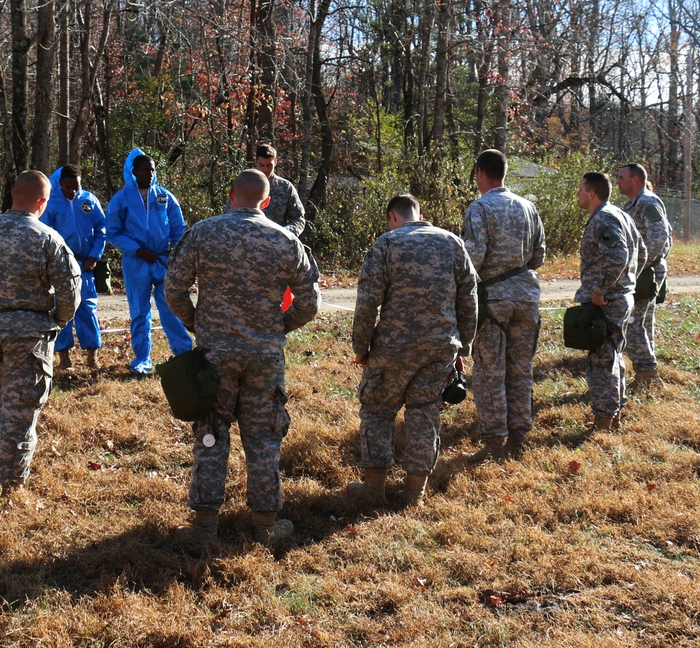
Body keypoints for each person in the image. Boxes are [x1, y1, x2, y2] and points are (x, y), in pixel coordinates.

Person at [166, 169, 321, 545]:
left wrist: (198, 324)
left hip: (215, 355)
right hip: (264, 356)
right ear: (267, 202)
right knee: (264, 437)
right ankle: (265, 525)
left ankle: (204, 527)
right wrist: (276, 329)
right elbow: (310, 302)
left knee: (211, 435)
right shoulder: (285, 239)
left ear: (231, 193)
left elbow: (174, 289)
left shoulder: (203, 232)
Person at [350, 194, 478, 508]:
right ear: (418, 215)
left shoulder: (387, 244)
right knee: (424, 413)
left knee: (378, 412)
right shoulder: (452, 243)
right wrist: (464, 344)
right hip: (439, 347)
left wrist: (361, 347)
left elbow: (367, 301)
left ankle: (374, 491)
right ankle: (413, 495)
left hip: (393, 347)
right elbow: (470, 297)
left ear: (393, 216)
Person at [0, 170, 81, 497]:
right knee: (20, 411)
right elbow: (71, 291)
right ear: (43, 202)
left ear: (13, 192)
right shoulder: (47, 237)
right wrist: (56, 319)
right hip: (29, 336)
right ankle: (12, 488)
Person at [462, 150, 546, 462]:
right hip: (527, 299)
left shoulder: (479, 208)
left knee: (489, 372)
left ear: (481, 173)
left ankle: (495, 442)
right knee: (521, 369)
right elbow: (539, 255)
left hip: (493, 302)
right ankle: (521, 436)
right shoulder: (529, 207)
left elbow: (474, 258)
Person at [105, 149, 192, 375]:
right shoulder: (121, 199)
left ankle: (184, 353)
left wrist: (176, 255)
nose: (150, 173)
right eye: (145, 170)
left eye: (153, 169)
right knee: (140, 311)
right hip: (136, 263)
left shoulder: (164, 197)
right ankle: (142, 359)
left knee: (170, 308)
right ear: (134, 171)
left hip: (162, 260)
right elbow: (112, 232)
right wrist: (137, 250)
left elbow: (178, 229)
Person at [575, 172, 645, 432]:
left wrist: (600, 290)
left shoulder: (603, 218)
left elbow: (618, 255)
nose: (579, 195)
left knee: (602, 360)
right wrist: (628, 283)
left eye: (581, 190)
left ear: (592, 194)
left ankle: (603, 421)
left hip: (607, 302)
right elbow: (642, 252)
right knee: (613, 354)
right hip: (621, 296)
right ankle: (614, 412)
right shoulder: (621, 215)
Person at [42, 165, 106, 370]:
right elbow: (45, 234)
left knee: (87, 308)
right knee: (61, 309)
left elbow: (102, 230)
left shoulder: (89, 200)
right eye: (69, 187)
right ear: (60, 183)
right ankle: (63, 357)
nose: (73, 191)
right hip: (61, 265)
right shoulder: (51, 203)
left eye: (76, 187)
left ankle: (92, 355)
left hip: (85, 264)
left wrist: (94, 256)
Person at [615, 163, 672, 396]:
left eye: (621, 177)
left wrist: (636, 267)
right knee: (643, 325)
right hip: (642, 270)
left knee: (632, 324)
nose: (617, 181)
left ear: (635, 180)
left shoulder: (647, 202)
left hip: (644, 272)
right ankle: (647, 378)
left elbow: (659, 237)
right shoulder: (635, 203)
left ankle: (648, 373)